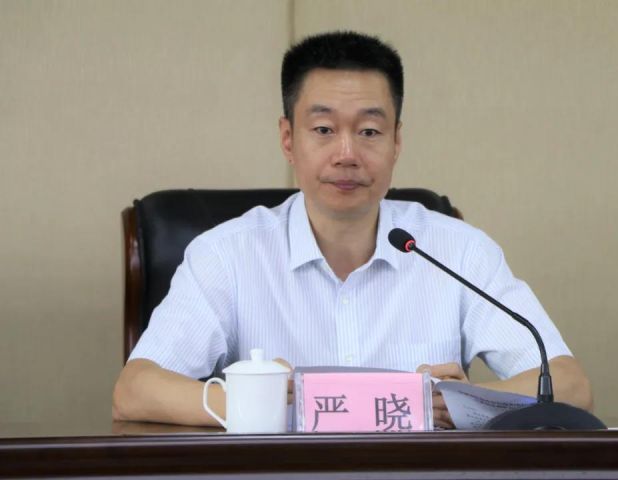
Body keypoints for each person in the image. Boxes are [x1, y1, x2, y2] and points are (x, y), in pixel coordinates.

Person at [113, 31, 592, 429]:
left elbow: (569, 384)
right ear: (288, 138)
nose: (347, 155)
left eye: (369, 132)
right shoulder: (228, 254)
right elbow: (134, 390)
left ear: (396, 141)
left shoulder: (457, 251)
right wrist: (249, 403)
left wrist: (470, 404)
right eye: (323, 130)